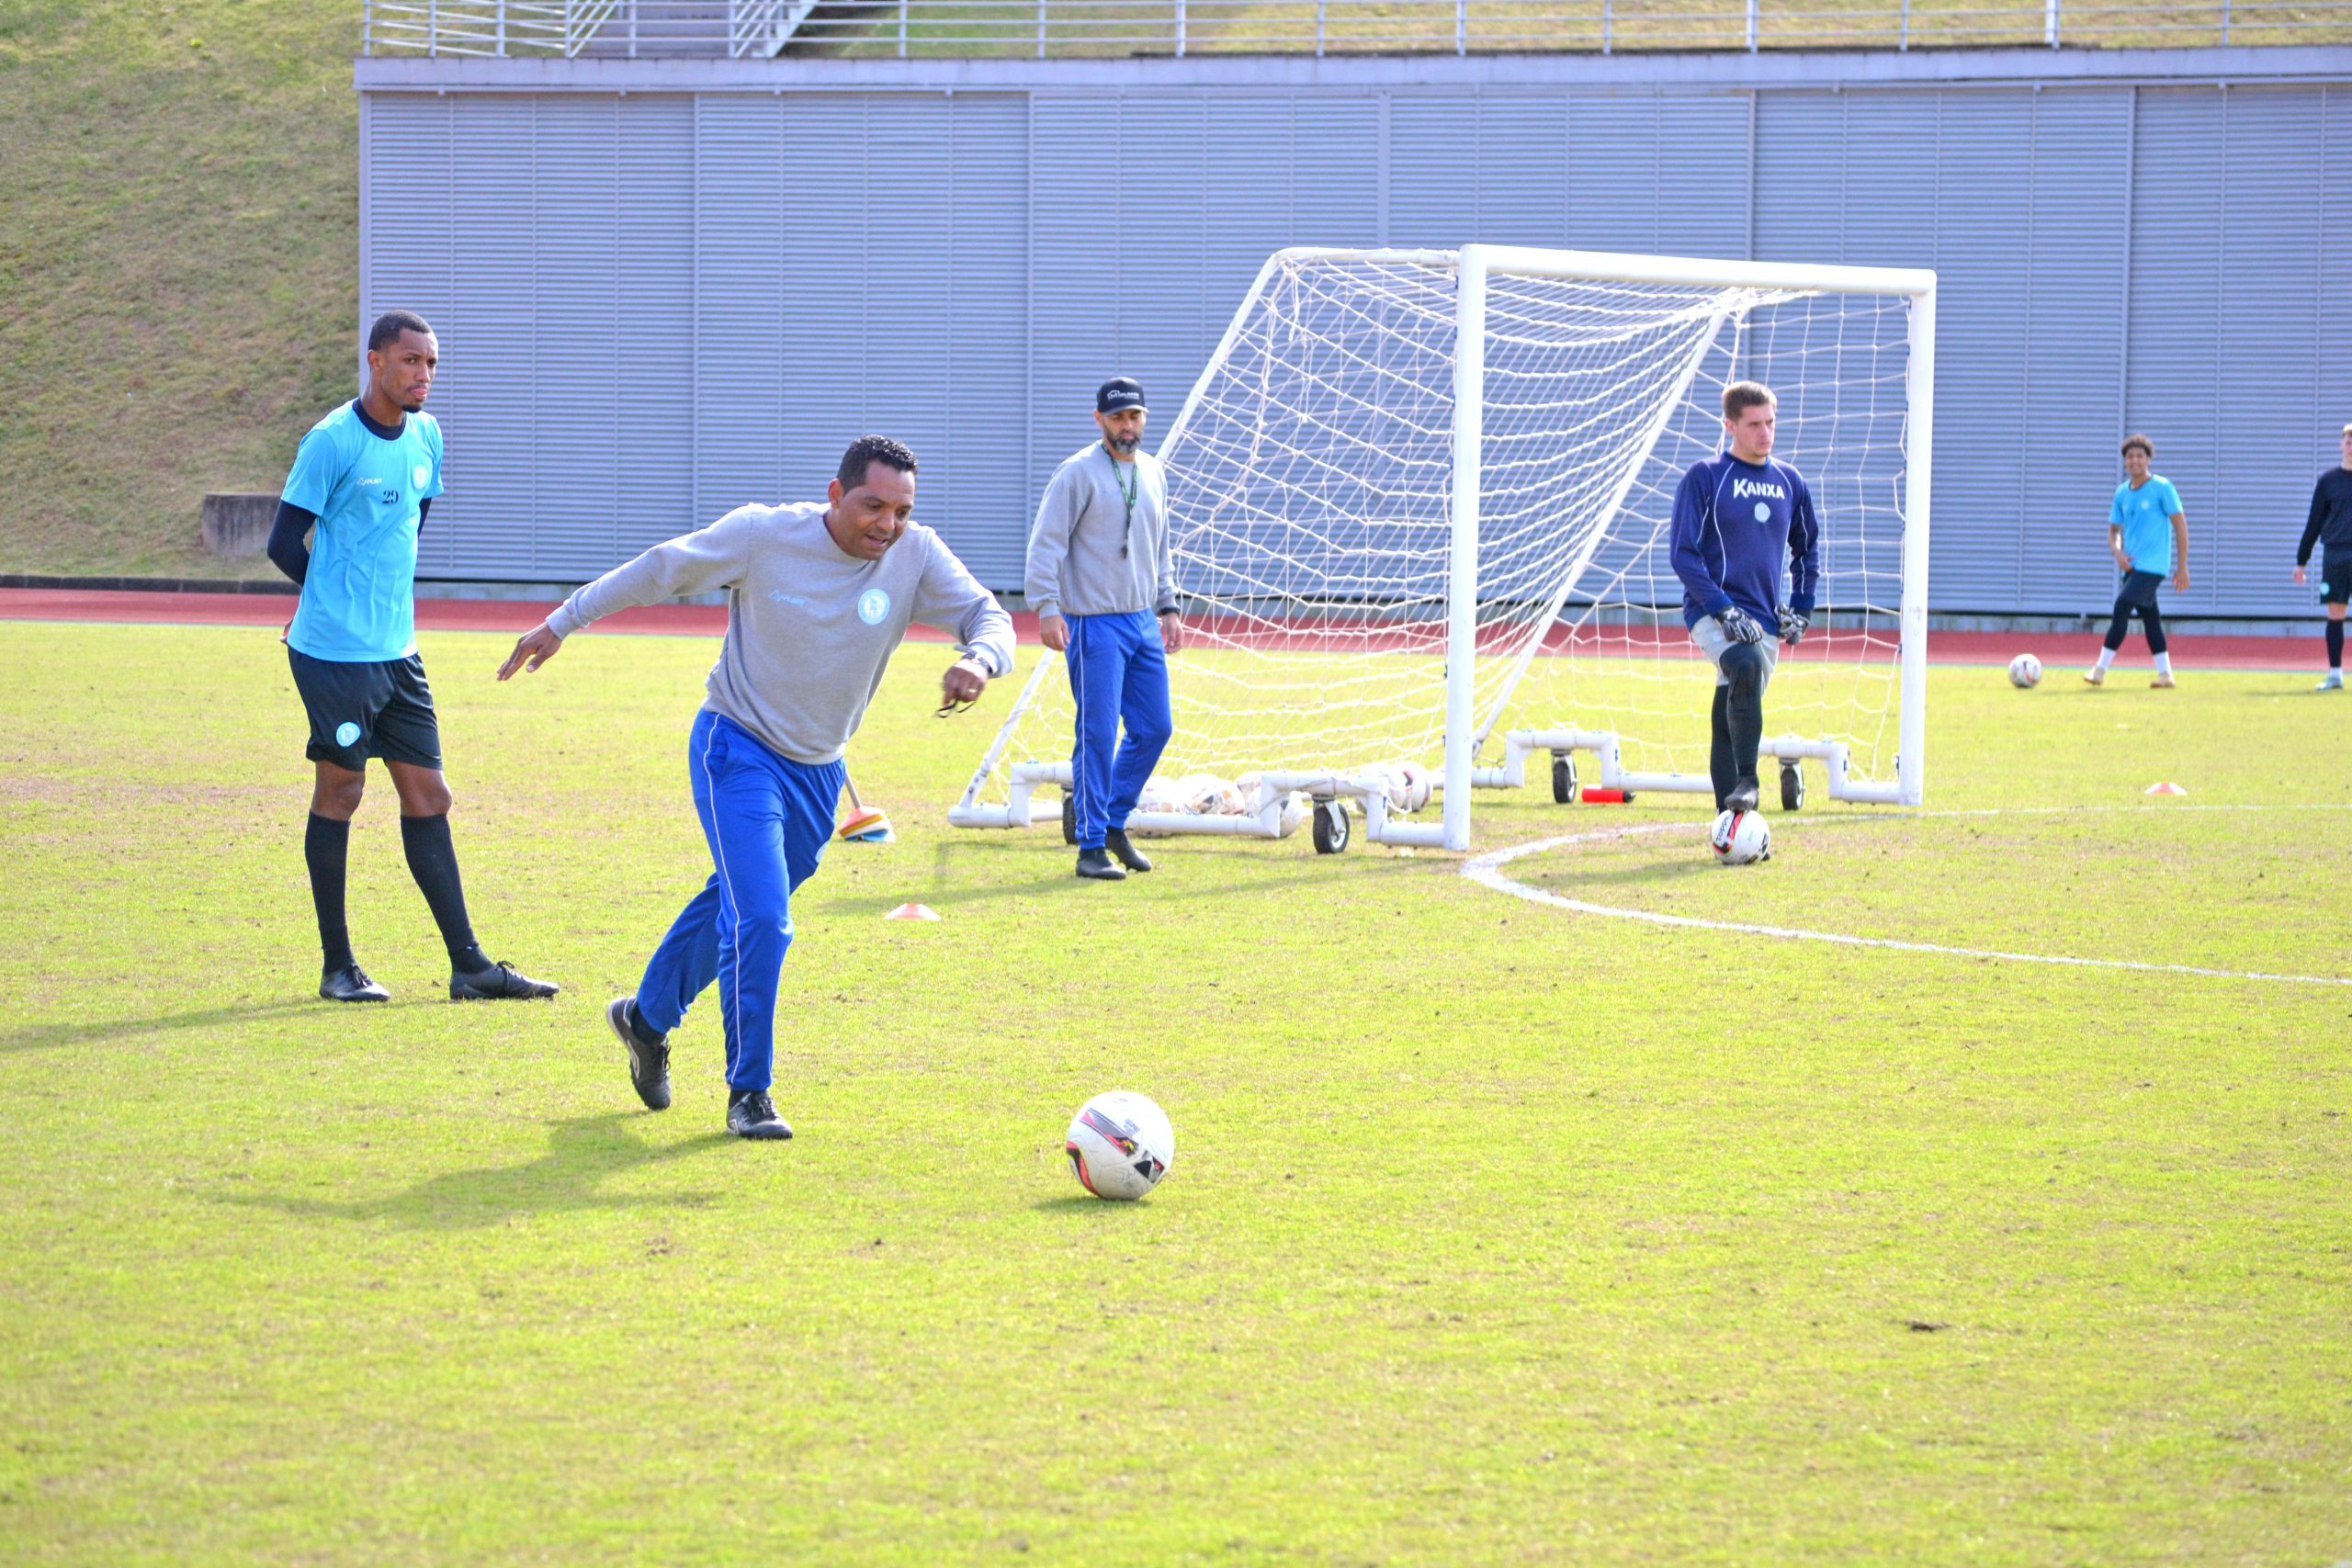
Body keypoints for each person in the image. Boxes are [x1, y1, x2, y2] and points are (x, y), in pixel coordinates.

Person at [496, 435, 1013, 1142]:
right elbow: (660, 569)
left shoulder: (915, 552)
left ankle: (645, 1020)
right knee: (762, 918)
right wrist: (563, 620)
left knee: (738, 902)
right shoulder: (763, 535)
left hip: (819, 770)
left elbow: (991, 616)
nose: (886, 525)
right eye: (872, 506)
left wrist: (980, 658)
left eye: (900, 510)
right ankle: (750, 1093)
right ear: (835, 494)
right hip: (735, 749)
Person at [267, 310, 557, 1005]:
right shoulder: (332, 441)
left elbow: (409, 523)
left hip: (400, 654)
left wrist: (375, 610)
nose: (423, 375)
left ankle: (471, 967)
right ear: (375, 362)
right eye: (409, 362)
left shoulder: (428, 436)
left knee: (431, 795)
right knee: (343, 791)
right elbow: (284, 543)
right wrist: (331, 606)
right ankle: (339, 967)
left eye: (431, 364)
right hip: (335, 657)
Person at [1024, 378, 1184, 882]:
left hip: (1141, 621)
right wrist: (1047, 607)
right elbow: (1045, 545)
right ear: (1099, 420)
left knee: (1155, 727)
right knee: (1096, 732)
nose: (1127, 426)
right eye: (1117, 418)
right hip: (1093, 623)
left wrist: (1169, 605)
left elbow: (1160, 546)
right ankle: (1090, 847)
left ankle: (1114, 820)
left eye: (1134, 416)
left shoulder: (1154, 472)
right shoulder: (1076, 474)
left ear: (1145, 418)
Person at [1668, 380, 1821, 815]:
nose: (1765, 433)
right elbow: (1683, 553)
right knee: (1745, 663)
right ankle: (1750, 781)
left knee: (1728, 712)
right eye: (1754, 424)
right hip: (1711, 612)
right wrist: (1721, 607)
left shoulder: (1790, 481)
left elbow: (1807, 547)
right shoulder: (1706, 476)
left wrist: (1803, 605)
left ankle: (1730, 825)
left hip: (1765, 619)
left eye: (1770, 422)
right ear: (1730, 425)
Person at [2086, 434, 2189, 689]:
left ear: (2148, 460)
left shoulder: (2162, 488)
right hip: (2132, 566)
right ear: (2125, 462)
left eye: (2140, 456)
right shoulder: (2122, 492)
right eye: (2130, 457)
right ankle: (2166, 675)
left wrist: (2182, 566)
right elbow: (2113, 531)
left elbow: (2180, 526)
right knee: (2150, 617)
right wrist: (2118, 553)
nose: (2135, 461)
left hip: (2153, 566)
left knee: (2122, 605)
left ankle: (2099, 670)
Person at [2291, 422, 2352, 692]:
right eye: (2348, 442)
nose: (2351, 447)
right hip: (2336, 554)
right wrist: (2301, 561)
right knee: (2335, 613)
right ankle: (2335, 675)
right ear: (2342, 445)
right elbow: (2314, 522)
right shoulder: (2328, 481)